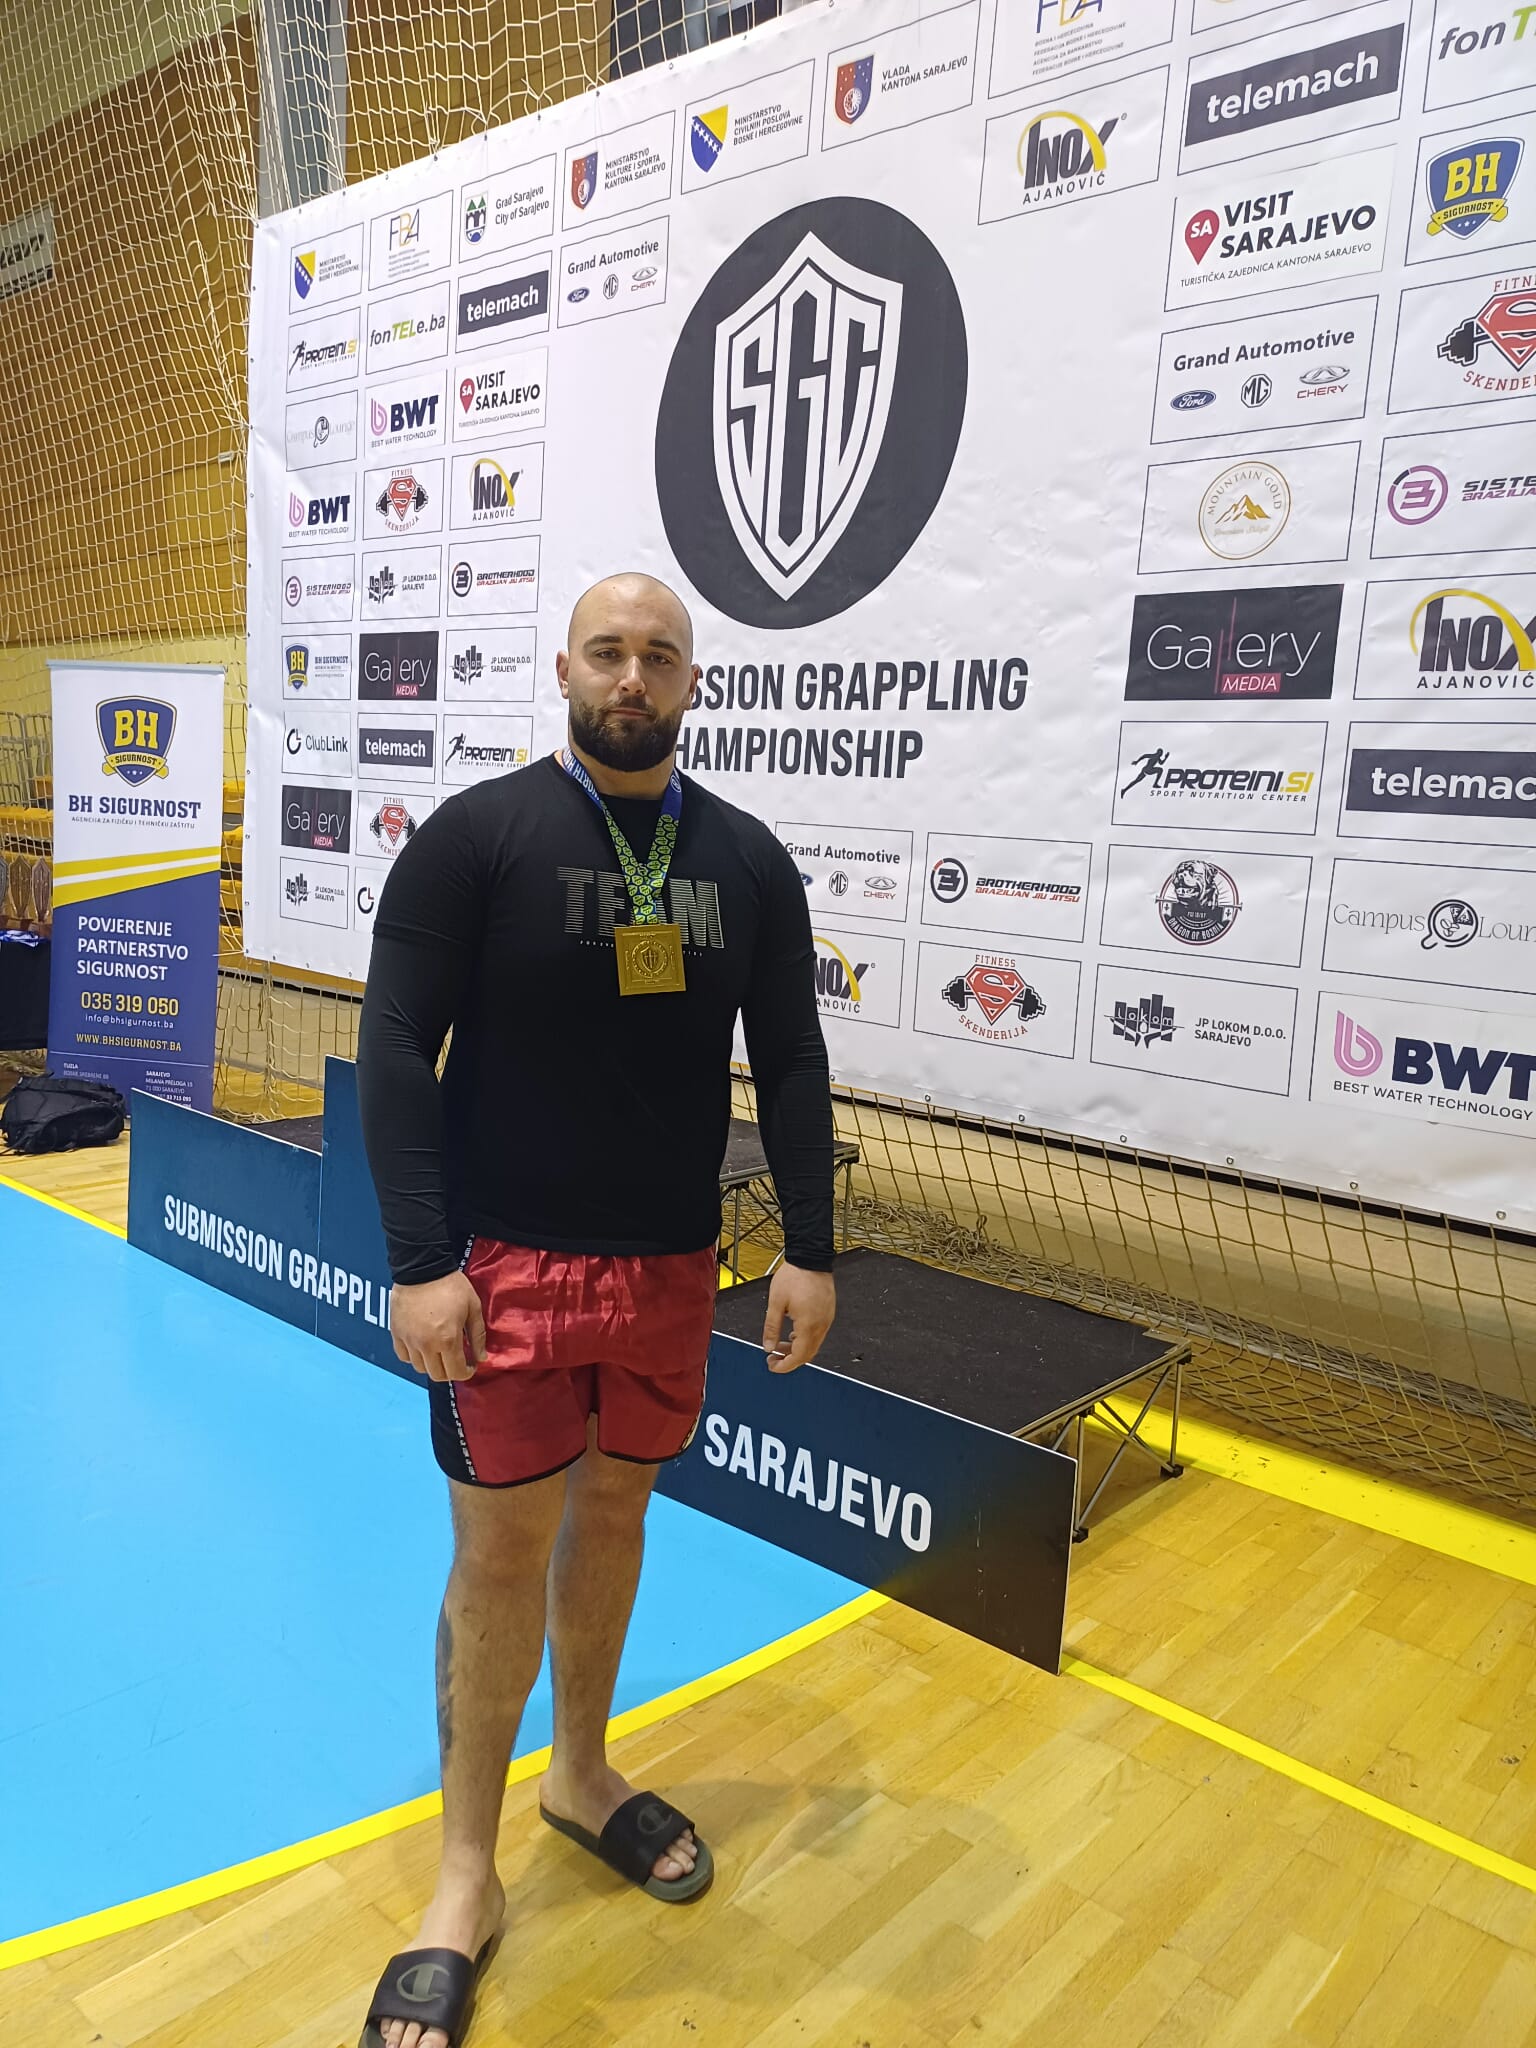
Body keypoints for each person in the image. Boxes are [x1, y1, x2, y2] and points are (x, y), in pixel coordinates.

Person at [354, 571, 838, 2048]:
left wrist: (810, 1247)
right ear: (564, 668)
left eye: (661, 657)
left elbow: (793, 1062)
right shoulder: (477, 837)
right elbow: (392, 1048)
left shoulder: (744, 859)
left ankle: (579, 1775)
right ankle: (465, 1873)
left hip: (671, 1270)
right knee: (499, 1553)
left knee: (617, 1516)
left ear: (692, 682)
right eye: (609, 652)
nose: (634, 676)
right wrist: (421, 1260)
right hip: (502, 1268)